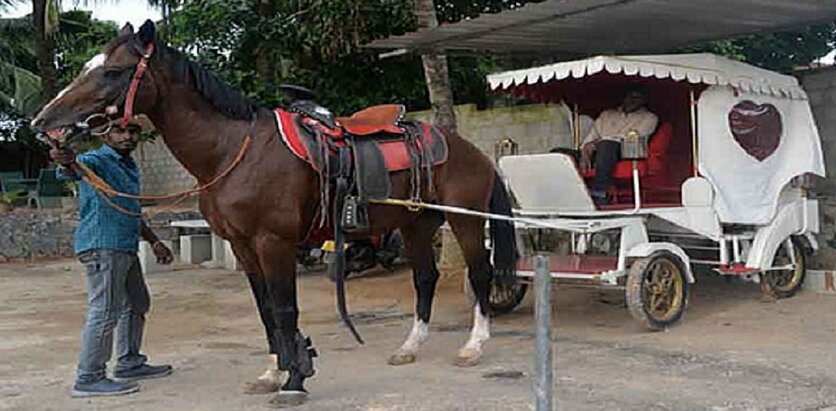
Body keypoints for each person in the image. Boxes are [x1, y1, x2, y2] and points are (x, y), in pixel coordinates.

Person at [50, 116, 175, 398]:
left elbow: (131, 209)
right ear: (106, 136)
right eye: (118, 130)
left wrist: (154, 241)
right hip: (103, 245)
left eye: (132, 131)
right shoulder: (95, 160)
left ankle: (129, 362)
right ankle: (89, 377)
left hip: (124, 245)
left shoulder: (129, 166)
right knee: (105, 311)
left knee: (137, 303)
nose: (127, 136)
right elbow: (71, 167)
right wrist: (64, 158)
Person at [580, 85, 658, 204]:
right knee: (561, 152)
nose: (633, 100)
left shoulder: (649, 117)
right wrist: (585, 149)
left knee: (607, 144)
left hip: (627, 151)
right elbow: (593, 135)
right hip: (597, 151)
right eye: (630, 96)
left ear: (644, 100)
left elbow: (632, 137)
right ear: (624, 98)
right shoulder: (607, 114)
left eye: (638, 97)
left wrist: (596, 144)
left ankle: (600, 191)